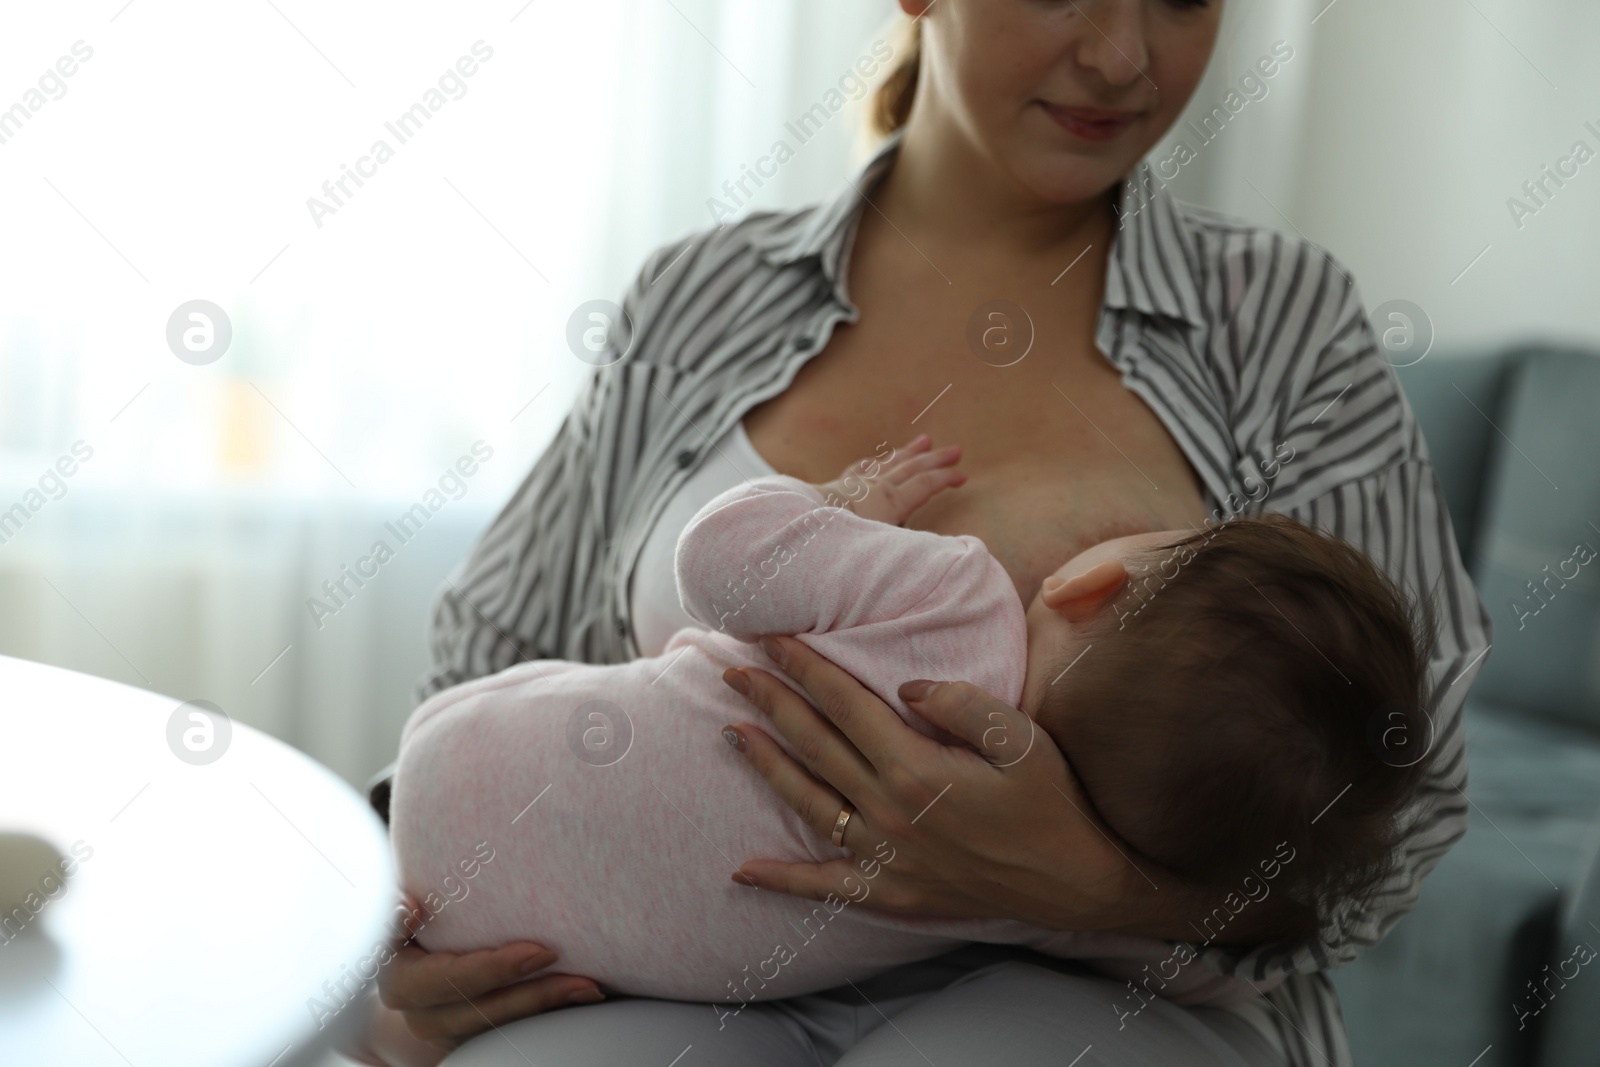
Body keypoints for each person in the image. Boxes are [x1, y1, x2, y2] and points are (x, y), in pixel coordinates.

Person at [372, 2, 1492, 1064]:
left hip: (1110, 995)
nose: (1120, 57)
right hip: (676, 968)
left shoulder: (1281, 320)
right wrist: (406, 938)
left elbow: (1405, 791)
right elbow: (492, 650)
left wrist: (1106, 890)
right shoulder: (701, 296)